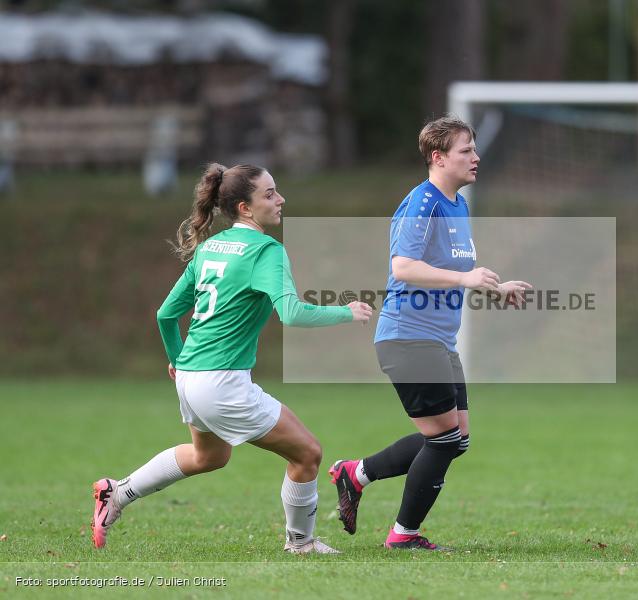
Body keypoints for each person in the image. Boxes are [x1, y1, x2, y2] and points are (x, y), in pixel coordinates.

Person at [90, 163, 372, 555]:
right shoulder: (266, 251)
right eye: (269, 194)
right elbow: (291, 313)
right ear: (244, 207)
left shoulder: (210, 248)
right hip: (221, 382)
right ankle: (301, 543)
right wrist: (346, 312)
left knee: (208, 456)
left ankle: (117, 493)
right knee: (308, 453)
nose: (280, 199)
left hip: (191, 377)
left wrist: (177, 360)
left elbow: (166, 315)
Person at [328, 115, 531, 550]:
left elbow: (451, 270)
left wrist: (494, 287)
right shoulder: (423, 203)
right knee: (444, 439)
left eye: (474, 148)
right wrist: (466, 279)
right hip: (408, 336)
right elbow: (404, 267)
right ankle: (403, 534)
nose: (476, 157)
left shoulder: (457, 204)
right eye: (466, 150)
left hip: (436, 340)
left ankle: (355, 474)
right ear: (438, 157)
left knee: (456, 438)